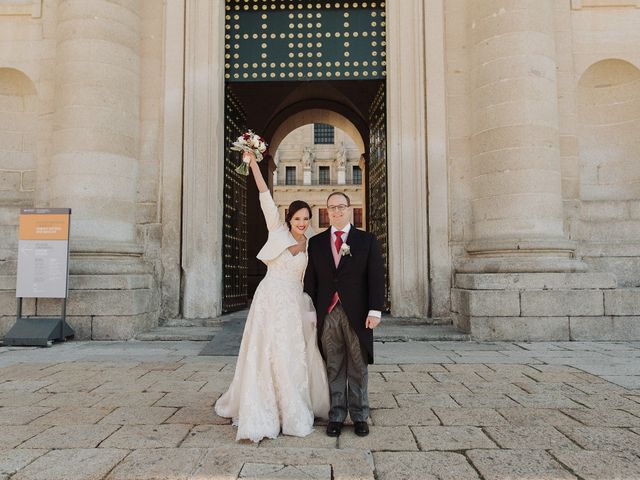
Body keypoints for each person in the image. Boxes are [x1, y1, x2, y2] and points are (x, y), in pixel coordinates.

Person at [215, 151, 330, 442]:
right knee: (264, 351)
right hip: (269, 299)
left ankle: (290, 408)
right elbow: (265, 195)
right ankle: (263, 406)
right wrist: (253, 163)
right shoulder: (276, 230)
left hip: (293, 302)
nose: (302, 222)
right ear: (289, 218)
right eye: (297, 218)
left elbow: (320, 276)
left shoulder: (314, 243)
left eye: (306, 218)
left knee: (289, 354)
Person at [304, 191, 385, 437]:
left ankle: (360, 416)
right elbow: (311, 281)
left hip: (358, 313)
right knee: (334, 365)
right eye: (332, 208)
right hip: (328, 313)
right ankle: (337, 415)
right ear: (327, 211)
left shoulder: (367, 240)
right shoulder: (316, 243)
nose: (337, 211)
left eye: (341, 207)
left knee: (358, 366)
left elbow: (376, 278)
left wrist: (375, 310)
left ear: (349, 209)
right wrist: (310, 313)